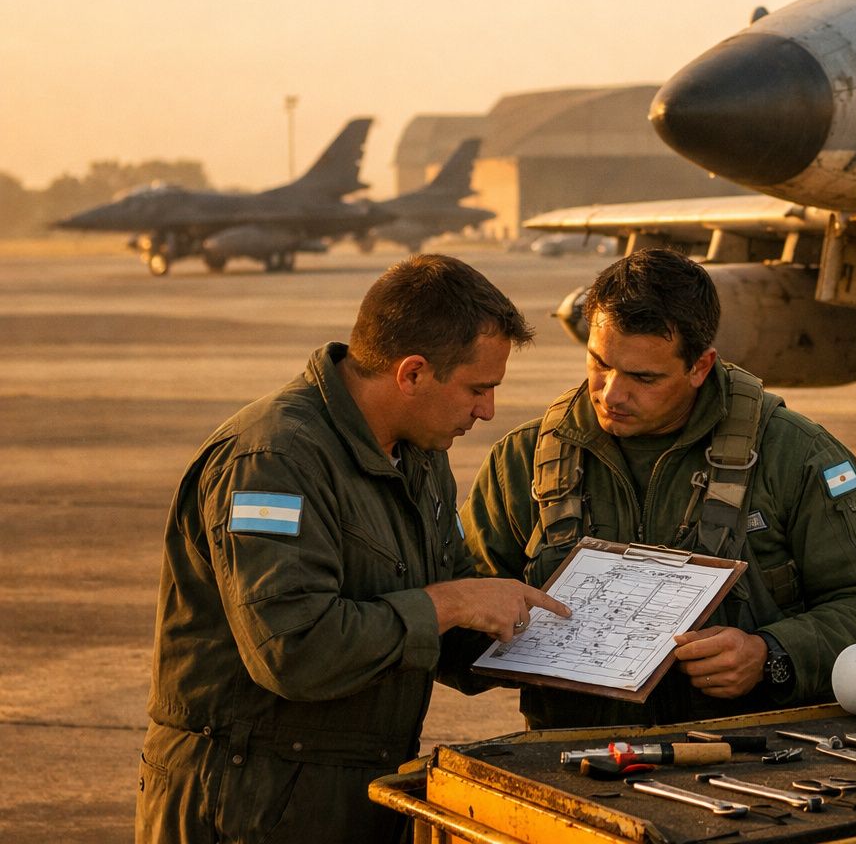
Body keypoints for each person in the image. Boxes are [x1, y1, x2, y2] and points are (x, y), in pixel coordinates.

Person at [136, 254, 570, 844]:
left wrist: (577, 648)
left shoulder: (418, 453)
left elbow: (443, 625)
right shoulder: (272, 465)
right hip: (249, 806)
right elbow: (292, 651)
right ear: (412, 373)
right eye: (478, 388)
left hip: (350, 794)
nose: (487, 410)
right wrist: (450, 603)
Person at [460, 248, 856, 730]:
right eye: (599, 363)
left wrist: (771, 655)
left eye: (644, 377)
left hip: (747, 760)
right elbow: (460, 626)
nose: (611, 393)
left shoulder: (795, 455)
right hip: (574, 759)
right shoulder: (524, 461)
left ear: (700, 367)